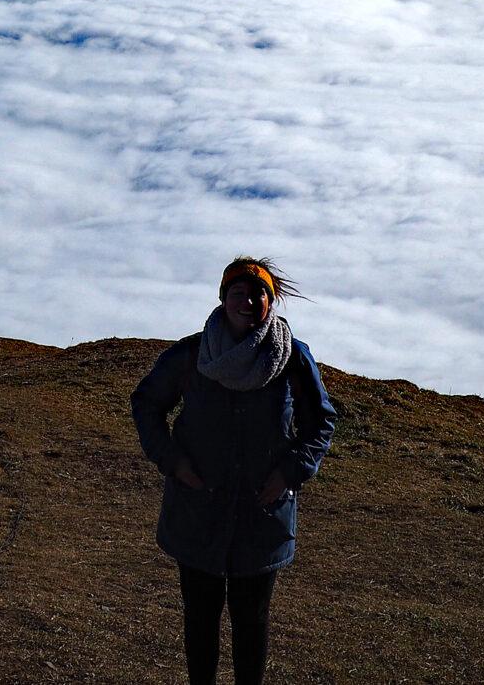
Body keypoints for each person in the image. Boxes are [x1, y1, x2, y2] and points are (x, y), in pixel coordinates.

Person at [131, 256, 337, 685]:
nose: (248, 300)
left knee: (252, 622)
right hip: (197, 511)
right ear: (223, 298)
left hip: (261, 516)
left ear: (271, 300)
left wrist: (291, 471)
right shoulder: (191, 355)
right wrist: (173, 462)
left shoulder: (292, 358)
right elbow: (147, 404)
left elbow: (321, 422)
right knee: (200, 619)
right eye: (238, 292)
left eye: (259, 292)